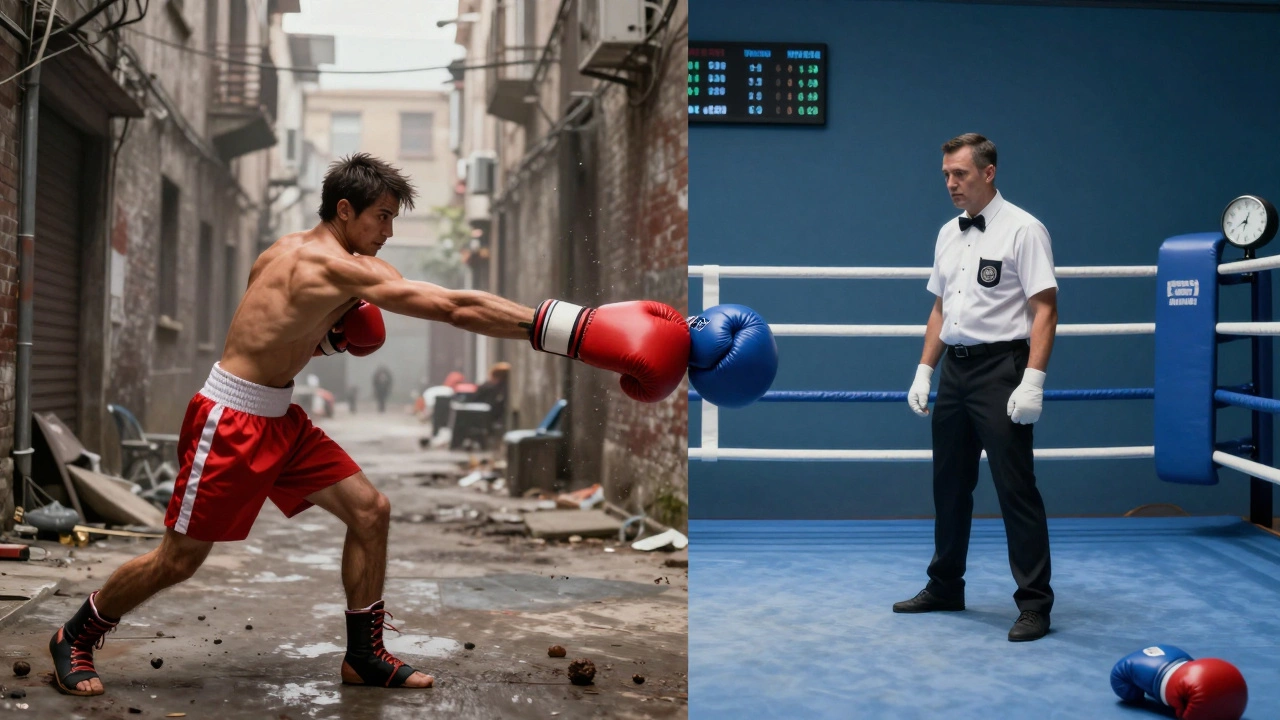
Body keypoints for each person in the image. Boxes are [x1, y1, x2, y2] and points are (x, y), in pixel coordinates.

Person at [49, 153, 691, 696]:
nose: (388, 230)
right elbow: (453, 305)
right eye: (382, 216)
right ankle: (74, 634)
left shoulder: (289, 250)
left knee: (370, 511)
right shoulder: (329, 265)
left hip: (280, 417)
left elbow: (279, 326)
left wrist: (329, 340)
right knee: (180, 560)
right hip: (232, 419)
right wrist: (575, 332)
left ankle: (363, 655)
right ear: (345, 212)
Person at [895, 134, 1059, 642]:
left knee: (1015, 488)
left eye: (959, 174)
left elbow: (1046, 308)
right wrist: (924, 369)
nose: (950, 183)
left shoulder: (1025, 230)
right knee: (949, 485)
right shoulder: (948, 232)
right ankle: (945, 584)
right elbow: (940, 308)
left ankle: (1034, 604)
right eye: (946, 174)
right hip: (957, 373)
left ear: (988, 173)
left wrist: (1033, 380)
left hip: (1002, 370)